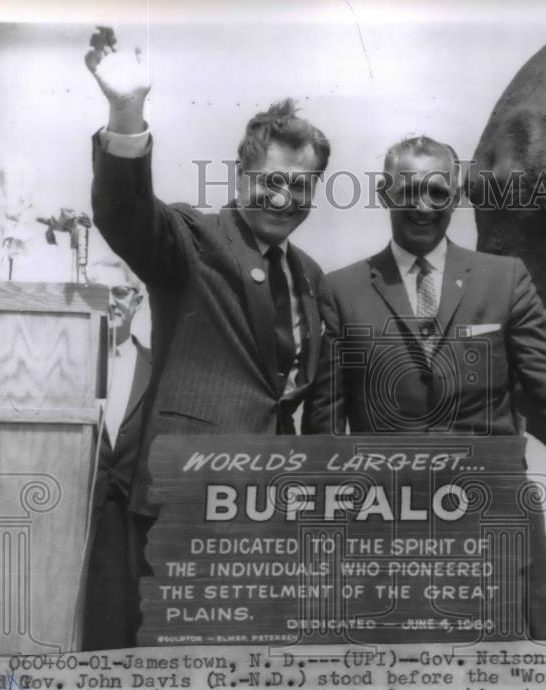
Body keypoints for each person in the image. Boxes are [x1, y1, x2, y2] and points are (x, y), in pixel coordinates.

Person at [305, 136, 546, 637]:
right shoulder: (341, 290)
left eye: (437, 192)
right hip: (387, 521)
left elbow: (545, 367)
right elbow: (325, 420)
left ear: (456, 195)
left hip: (493, 511)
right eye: (408, 192)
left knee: (516, 671)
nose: (422, 206)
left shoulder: (505, 278)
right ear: (385, 194)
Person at [85, 28, 329, 528]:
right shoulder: (194, 238)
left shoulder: (309, 275)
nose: (285, 199)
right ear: (241, 176)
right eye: (272, 181)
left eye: (301, 186)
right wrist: (126, 115)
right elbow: (124, 212)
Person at [81, 258, 152, 649]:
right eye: (98, 292)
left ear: (137, 300)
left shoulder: (158, 368)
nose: (111, 300)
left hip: (134, 524)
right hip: (76, 521)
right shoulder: (65, 363)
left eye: (120, 291)